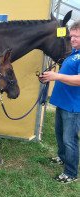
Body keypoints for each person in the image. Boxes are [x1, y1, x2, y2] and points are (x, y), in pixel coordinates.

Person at [40, 20, 80, 183]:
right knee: (59, 134)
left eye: (77, 36)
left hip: (73, 106)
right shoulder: (74, 52)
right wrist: (48, 77)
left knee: (69, 140)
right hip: (63, 103)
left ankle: (71, 173)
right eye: (72, 36)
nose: (73, 39)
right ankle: (63, 157)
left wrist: (56, 76)